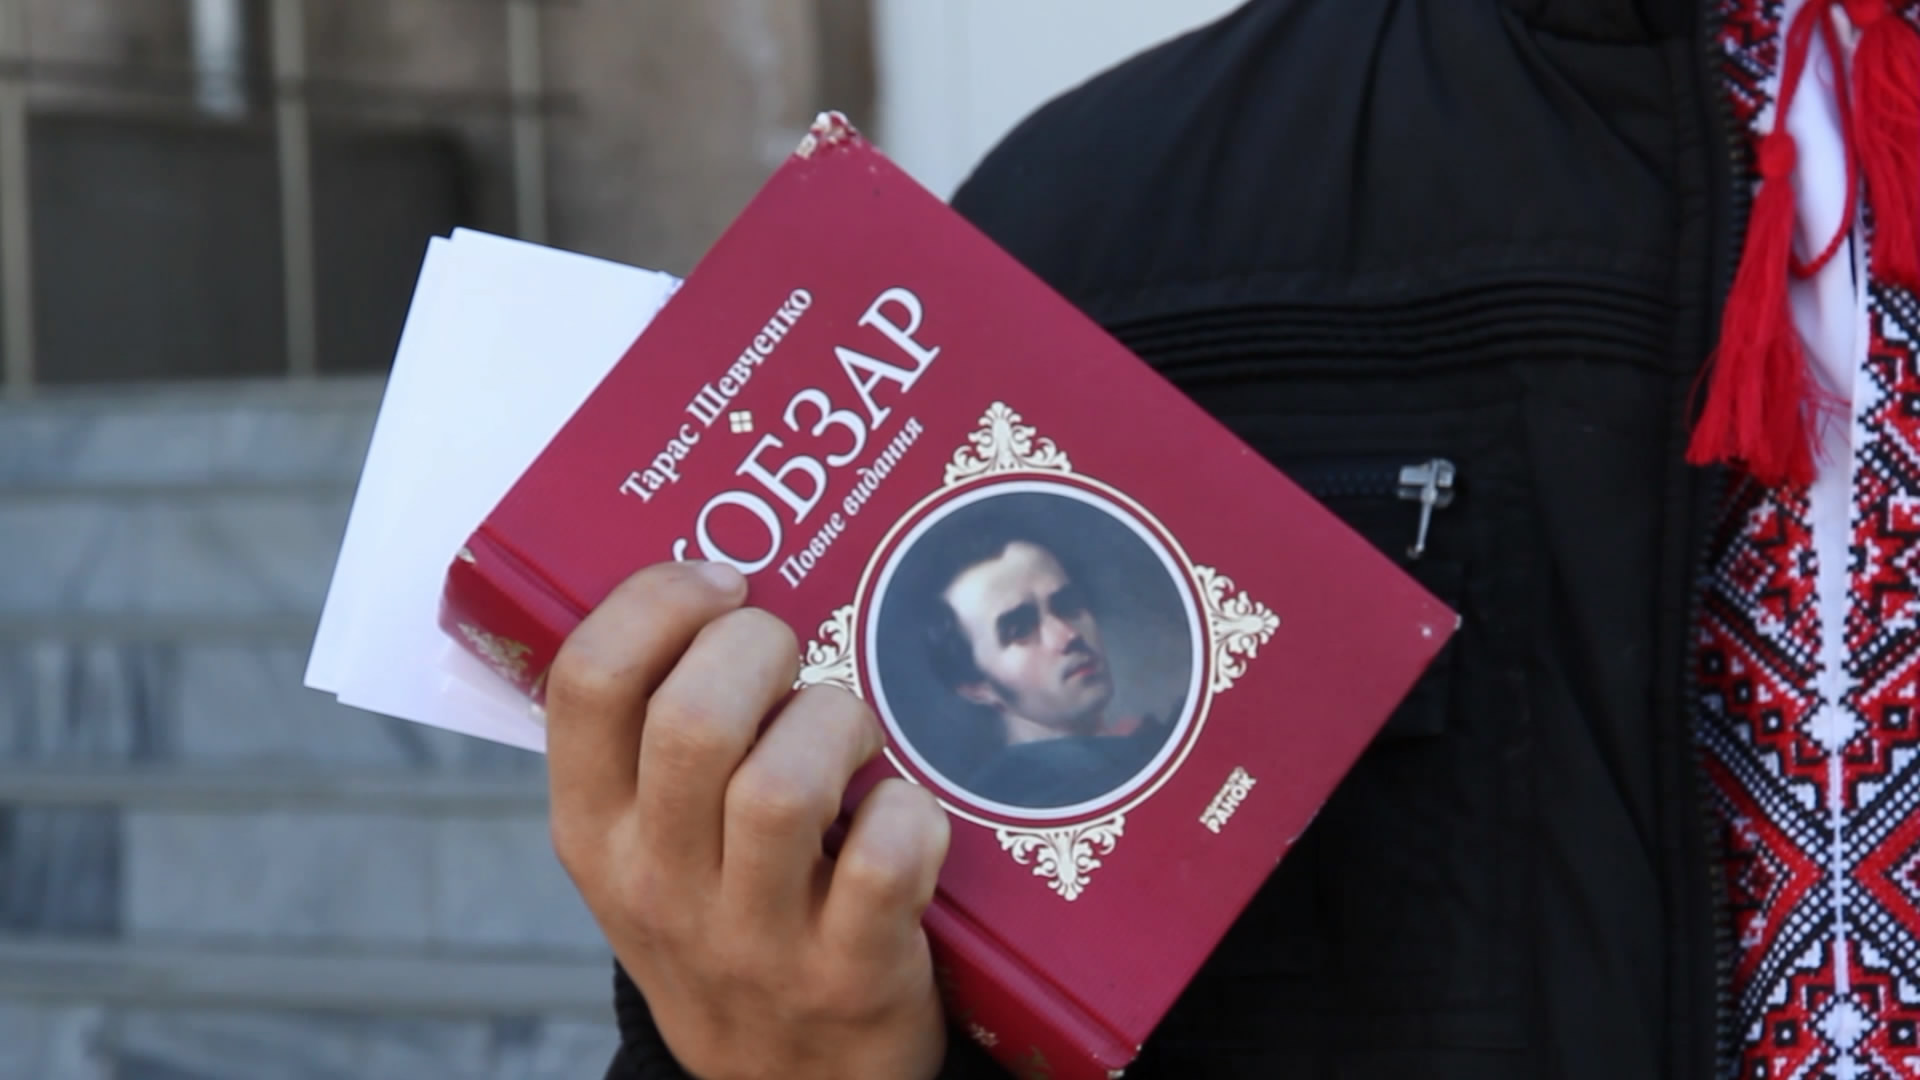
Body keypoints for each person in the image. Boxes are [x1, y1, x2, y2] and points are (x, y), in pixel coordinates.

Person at [540, 1, 1920, 1077]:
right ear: (959, 679)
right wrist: (781, 1056)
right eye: (1020, 624)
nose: (1067, 632)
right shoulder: (1097, 235)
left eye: (1055, 604)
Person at [912, 517, 1166, 808]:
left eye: (1067, 604)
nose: (1068, 635)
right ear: (976, 687)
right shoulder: (1032, 799)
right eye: (1020, 630)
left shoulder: (1137, 746)